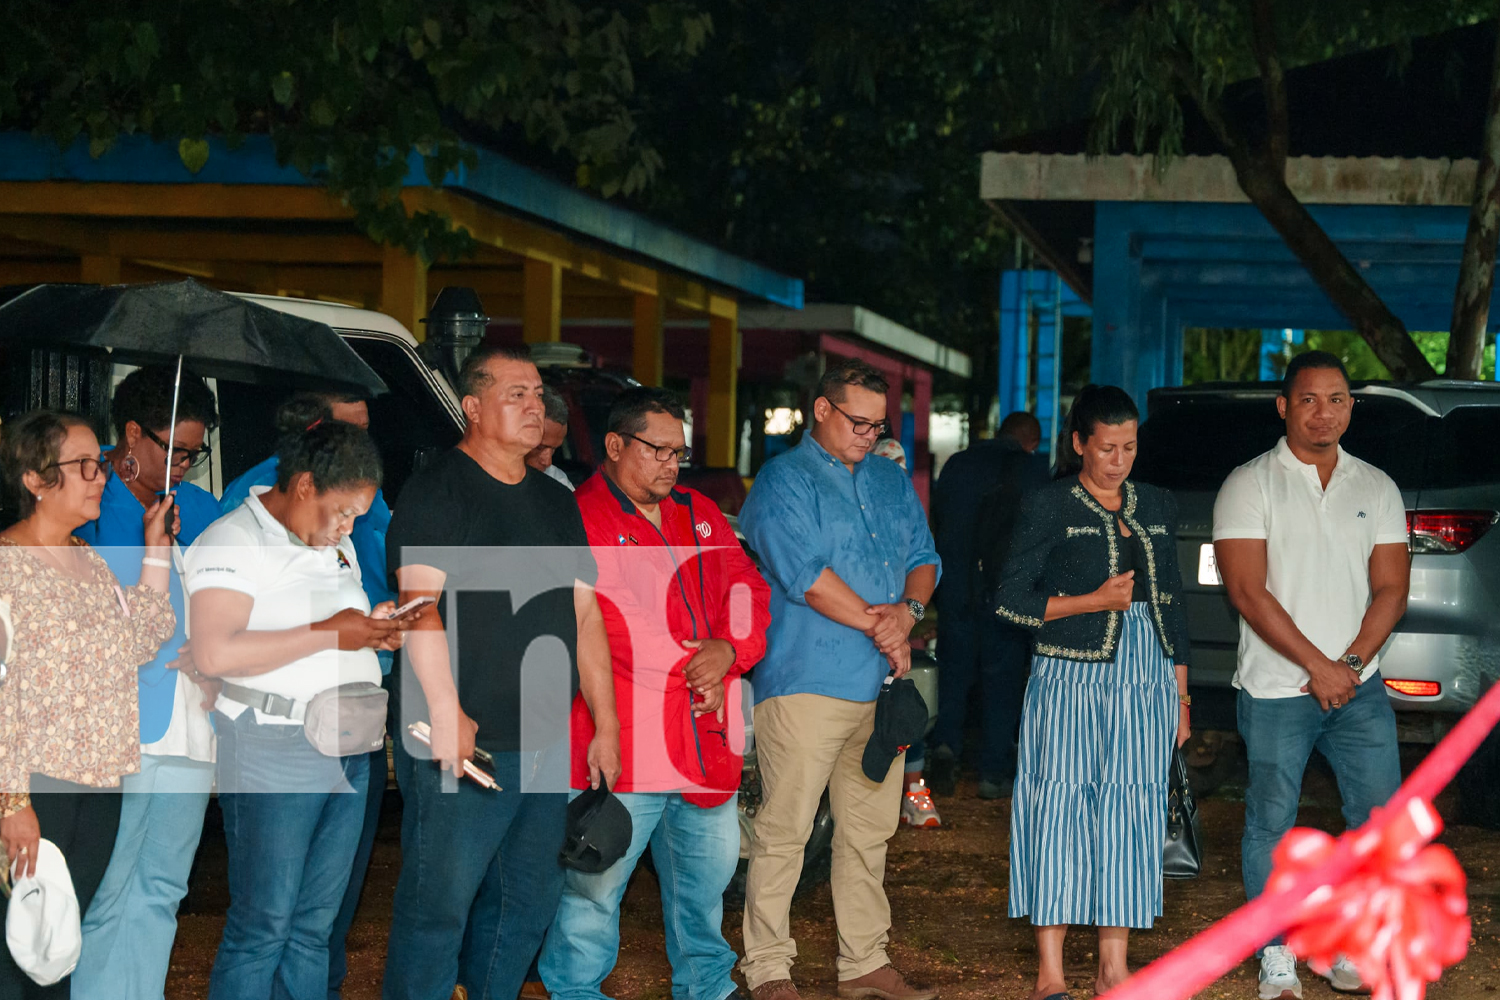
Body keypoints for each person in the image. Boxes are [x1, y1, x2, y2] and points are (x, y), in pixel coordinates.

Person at [382, 344, 621, 1000]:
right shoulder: (436, 492)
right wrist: (445, 710)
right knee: (438, 907)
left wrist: (604, 722)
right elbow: (416, 608)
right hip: (466, 740)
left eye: (538, 394)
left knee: (527, 901)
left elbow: (586, 616)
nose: (533, 406)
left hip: (543, 738)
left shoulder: (554, 501)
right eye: (516, 394)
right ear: (472, 407)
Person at [539, 386, 770, 1000]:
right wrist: (697, 664)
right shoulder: (580, 517)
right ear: (615, 446)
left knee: (704, 884)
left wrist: (729, 649)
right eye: (658, 449)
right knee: (593, 885)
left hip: (702, 743)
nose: (672, 463)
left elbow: (748, 588)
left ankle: (708, 986)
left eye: (679, 452)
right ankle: (576, 991)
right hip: (624, 743)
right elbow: (606, 625)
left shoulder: (701, 512)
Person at [738, 358, 940, 1000]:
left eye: (880, 425)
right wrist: (886, 628)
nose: (871, 436)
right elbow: (805, 574)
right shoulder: (781, 481)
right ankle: (768, 966)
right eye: (858, 422)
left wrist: (907, 613)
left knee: (869, 831)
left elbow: (924, 557)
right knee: (785, 830)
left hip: (877, 686)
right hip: (805, 679)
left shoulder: (886, 477)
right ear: (820, 410)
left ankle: (863, 962)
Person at [184, 421, 407, 1000]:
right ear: (305, 484)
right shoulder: (234, 540)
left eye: (357, 515)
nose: (348, 527)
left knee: (314, 928)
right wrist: (333, 633)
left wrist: (369, 631)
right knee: (264, 926)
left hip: (349, 745)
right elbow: (214, 651)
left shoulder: (334, 545)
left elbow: (332, 629)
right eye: (342, 511)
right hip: (273, 743)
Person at [1212, 352, 1407, 1000]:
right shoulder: (1249, 482)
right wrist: (1317, 667)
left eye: (1337, 399)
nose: (1324, 412)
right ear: (1283, 407)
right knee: (1272, 821)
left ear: (1351, 407)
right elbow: (1246, 590)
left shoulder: (1376, 486)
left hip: (1359, 690)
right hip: (1274, 689)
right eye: (1309, 400)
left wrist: (1347, 667)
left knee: (1374, 821)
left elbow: (1390, 591)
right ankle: (1276, 955)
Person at [993, 385, 1191, 1000]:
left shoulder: (1155, 503)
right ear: (1079, 443)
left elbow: (1172, 603)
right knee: (1058, 802)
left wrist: (1181, 697)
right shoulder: (1048, 505)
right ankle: (1050, 972)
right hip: (1069, 669)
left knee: (1131, 809)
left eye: (1129, 446)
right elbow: (1009, 600)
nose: (1119, 459)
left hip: (1146, 672)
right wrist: (1094, 600)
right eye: (1107, 447)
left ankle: (1114, 967)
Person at [0, 409, 178, 999]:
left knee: (57, 947)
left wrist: (156, 549)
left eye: (98, 464)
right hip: (32, 786)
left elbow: (141, 637)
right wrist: (11, 800)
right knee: (14, 949)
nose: (100, 476)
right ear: (34, 478)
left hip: (98, 785)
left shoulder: (90, 562)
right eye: (82, 466)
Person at [71, 366, 223, 1000]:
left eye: (196, 451)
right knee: (106, 891)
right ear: (132, 434)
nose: (186, 464)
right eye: (176, 449)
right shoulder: (85, 501)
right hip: (119, 725)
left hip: (191, 723)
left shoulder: (198, 506)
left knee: (163, 889)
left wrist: (216, 650)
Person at [927, 412, 1049, 801]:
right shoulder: (1033, 472)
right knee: (1003, 683)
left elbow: (937, 523)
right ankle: (993, 774)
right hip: (1007, 597)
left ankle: (945, 753)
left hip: (956, 591)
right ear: (1031, 442)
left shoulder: (958, 464)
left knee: (952, 674)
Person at [868, 437, 941, 830]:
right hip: (855, 639)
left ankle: (915, 792)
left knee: (906, 711)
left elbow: (924, 563)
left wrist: (912, 614)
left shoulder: (905, 514)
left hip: (898, 637)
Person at [526, 384, 575, 491]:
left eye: (553, 450)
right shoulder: (483, 480)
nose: (547, 462)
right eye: (539, 447)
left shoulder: (558, 484)